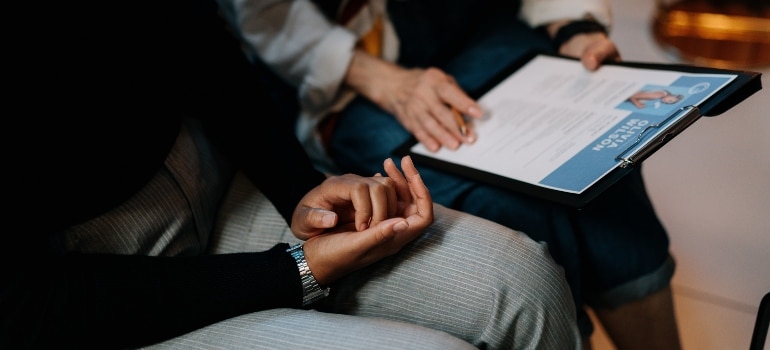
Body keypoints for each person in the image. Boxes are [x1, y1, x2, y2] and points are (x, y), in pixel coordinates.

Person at [2, 0, 581, 349]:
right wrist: (295, 271)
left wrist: (301, 188)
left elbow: (202, 46)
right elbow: (28, 308)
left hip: (218, 177)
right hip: (86, 296)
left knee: (526, 283)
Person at [214, 0, 682, 348]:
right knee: (499, 203)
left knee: (602, 162)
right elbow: (266, 14)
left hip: (470, 20)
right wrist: (385, 81)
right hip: (336, 75)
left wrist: (573, 24)